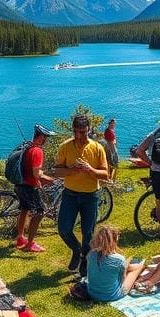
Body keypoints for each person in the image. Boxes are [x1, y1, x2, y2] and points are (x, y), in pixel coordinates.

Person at [54, 113, 109, 278]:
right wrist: (72, 170)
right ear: (73, 130)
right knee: (64, 229)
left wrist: (90, 170)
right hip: (70, 194)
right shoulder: (65, 146)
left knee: (88, 233)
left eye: (83, 132)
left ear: (89, 130)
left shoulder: (97, 148)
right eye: (76, 132)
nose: (79, 136)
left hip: (90, 196)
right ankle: (77, 250)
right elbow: (57, 171)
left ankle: (84, 260)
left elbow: (105, 174)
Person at [15, 124, 57, 253]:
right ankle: (29, 244)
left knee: (24, 209)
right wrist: (52, 180)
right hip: (29, 187)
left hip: (20, 184)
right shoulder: (37, 151)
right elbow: (36, 174)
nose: (46, 141)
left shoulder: (27, 147)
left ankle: (20, 238)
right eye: (46, 138)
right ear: (42, 138)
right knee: (39, 213)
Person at [85, 225, 146, 301]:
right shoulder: (119, 259)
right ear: (115, 240)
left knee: (123, 268)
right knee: (137, 268)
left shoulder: (91, 254)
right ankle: (140, 281)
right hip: (112, 296)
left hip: (92, 293)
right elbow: (122, 279)